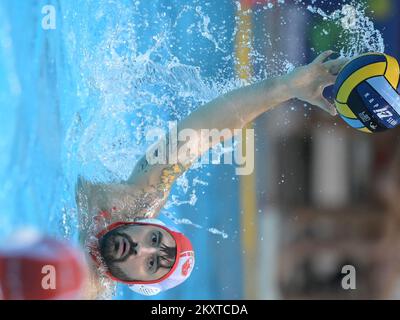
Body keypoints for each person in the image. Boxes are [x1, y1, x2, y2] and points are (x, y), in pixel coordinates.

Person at [75, 50, 349, 298]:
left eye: (151, 263)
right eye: (154, 239)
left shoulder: (85, 287)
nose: (140, 248)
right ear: (147, 224)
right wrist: (285, 87)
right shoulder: (137, 199)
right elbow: (201, 134)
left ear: (137, 283)